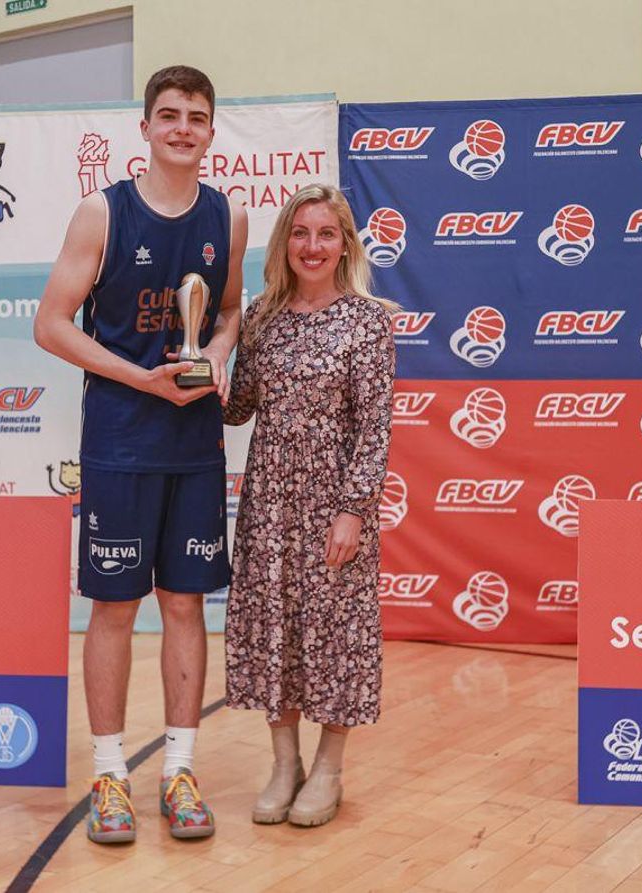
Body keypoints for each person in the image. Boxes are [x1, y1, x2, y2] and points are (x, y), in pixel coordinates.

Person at [33, 65, 248, 843]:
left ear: (211, 130)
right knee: (116, 607)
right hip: (122, 438)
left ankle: (180, 770)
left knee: (187, 603)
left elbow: (227, 313)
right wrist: (142, 380)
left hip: (193, 441)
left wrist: (217, 352)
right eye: (169, 115)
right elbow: (52, 324)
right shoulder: (103, 213)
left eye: (197, 116)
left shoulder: (228, 216)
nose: (183, 127)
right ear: (146, 129)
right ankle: (109, 775)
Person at [223, 184, 396, 827]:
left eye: (326, 234)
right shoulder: (263, 315)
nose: (312, 246)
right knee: (276, 630)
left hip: (334, 504)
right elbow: (239, 405)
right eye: (301, 234)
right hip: (269, 499)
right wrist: (194, 363)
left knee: (335, 635)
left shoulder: (368, 319)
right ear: (284, 244)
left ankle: (329, 767)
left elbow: (374, 425)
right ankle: (283, 763)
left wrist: (354, 509)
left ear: (345, 244)